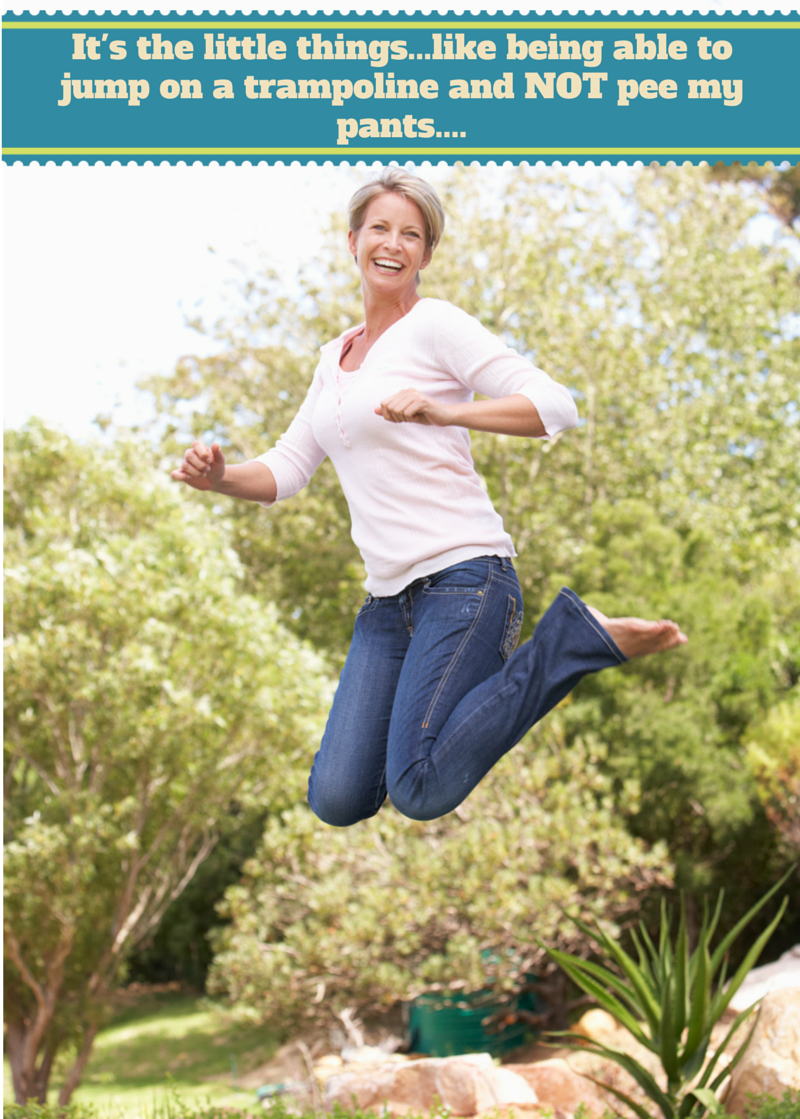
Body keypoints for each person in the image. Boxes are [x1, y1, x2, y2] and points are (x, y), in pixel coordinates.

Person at [172, 168, 687, 828]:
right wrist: (218, 477)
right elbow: (287, 470)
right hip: (387, 605)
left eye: (411, 234)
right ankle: (563, 646)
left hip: (464, 579)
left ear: (426, 253)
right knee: (337, 799)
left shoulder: (437, 325)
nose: (393, 243)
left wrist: (446, 413)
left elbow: (555, 407)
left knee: (417, 788)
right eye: (380, 228)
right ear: (352, 240)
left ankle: (571, 643)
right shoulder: (334, 359)